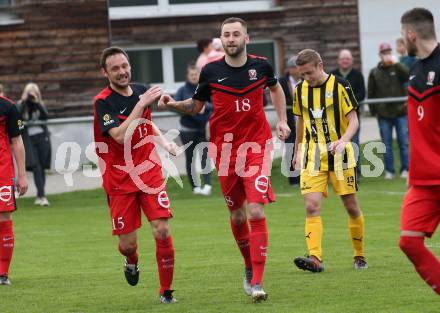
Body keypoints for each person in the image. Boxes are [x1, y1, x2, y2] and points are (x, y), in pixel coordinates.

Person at [159, 17, 290, 302]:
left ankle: (257, 281)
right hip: (226, 152)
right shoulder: (210, 70)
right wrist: (173, 104)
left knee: (255, 211)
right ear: (222, 40)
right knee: (237, 214)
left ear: (246, 38)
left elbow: (276, 88)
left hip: (257, 147)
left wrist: (281, 120)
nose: (231, 39)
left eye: (235, 34)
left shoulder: (262, 66)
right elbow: (195, 106)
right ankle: (247, 265)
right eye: (226, 35)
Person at [93, 47, 178, 303]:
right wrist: (140, 103)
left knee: (161, 229)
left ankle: (166, 292)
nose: (122, 72)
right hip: (119, 179)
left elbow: (147, 122)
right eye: (116, 68)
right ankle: (131, 260)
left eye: (125, 66)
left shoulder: (142, 89)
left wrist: (165, 143)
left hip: (149, 172)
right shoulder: (102, 102)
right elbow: (118, 136)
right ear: (105, 72)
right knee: (128, 245)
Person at [292, 49, 367, 273]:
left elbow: (353, 120)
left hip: (340, 155)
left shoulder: (341, 86)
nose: (307, 78)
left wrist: (344, 140)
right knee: (311, 206)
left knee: (351, 207)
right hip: (312, 156)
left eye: (309, 73)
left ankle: (359, 255)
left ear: (320, 64)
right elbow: (300, 122)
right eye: (302, 74)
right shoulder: (299, 90)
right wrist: (296, 151)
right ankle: (315, 258)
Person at [399, 7, 440, 296]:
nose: (402, 42)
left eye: (403, 36)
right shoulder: (414, 70)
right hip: (424, 179)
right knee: (409, 242)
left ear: (412, 34)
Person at [368, 42, 409, 179]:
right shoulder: (374, 72)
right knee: (386, 144)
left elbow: (408, 75)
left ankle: (406, 169)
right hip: (384, 114)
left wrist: (396, 63)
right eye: (384, 52)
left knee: (403, 142)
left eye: (388, 52)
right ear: (380, 55)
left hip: (400, 112)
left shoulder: (398, 68)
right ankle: (389, 171)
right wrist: (375, 111)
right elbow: (371, 92)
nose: (386, 55)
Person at [0, 93, 28, 285]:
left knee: (3, 219)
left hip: (2, 171)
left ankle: (2, 273)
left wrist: (22, 174)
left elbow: (16, 141)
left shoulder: (8, 107)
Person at [175, 63, 212, 195]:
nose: (194, 77)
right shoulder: (182, 91)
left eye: (196, 74)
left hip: (204, 129)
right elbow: (176, 107)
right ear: (187, 76)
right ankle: (195, 187)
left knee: (205, 157)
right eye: (191, 75)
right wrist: (191, 109)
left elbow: (213, 105)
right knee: (190, 158)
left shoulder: (205, 88)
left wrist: (205, 107)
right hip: (187, 131)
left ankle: (207, 185)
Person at [331, 49, 366, 179]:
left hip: (353, 116)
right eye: (343, 58)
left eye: (347, 58)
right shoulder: (333, 75)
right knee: (337, 143)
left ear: (351, 61)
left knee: (354, 142)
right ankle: (338, 172)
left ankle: (356, 172)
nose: (345, 61)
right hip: (336, 118)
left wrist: (347, 105)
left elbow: (361, 94)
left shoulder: (358, 75)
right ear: (338, 60)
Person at [17, 83, 51, 206]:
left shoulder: (40, 104)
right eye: (29, 92)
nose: (32, 95)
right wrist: (24, 101)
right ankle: (42, 196)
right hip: (29, 140)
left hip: (42, 138)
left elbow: (46, 116)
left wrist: (36, 102)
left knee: (41, 168)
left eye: (34, 92)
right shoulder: (21, 105)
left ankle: (40, 194)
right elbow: (17, 118)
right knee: (36, 167)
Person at [279, 55, 300, 185]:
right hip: (290, 122)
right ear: (290, 69)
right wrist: (296, 101)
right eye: (296, 67)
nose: (299, 70)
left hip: (305, 121)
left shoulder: (306, 80)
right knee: (291, 149)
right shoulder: (282, 81)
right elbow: (281, 98)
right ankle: (294, 180)